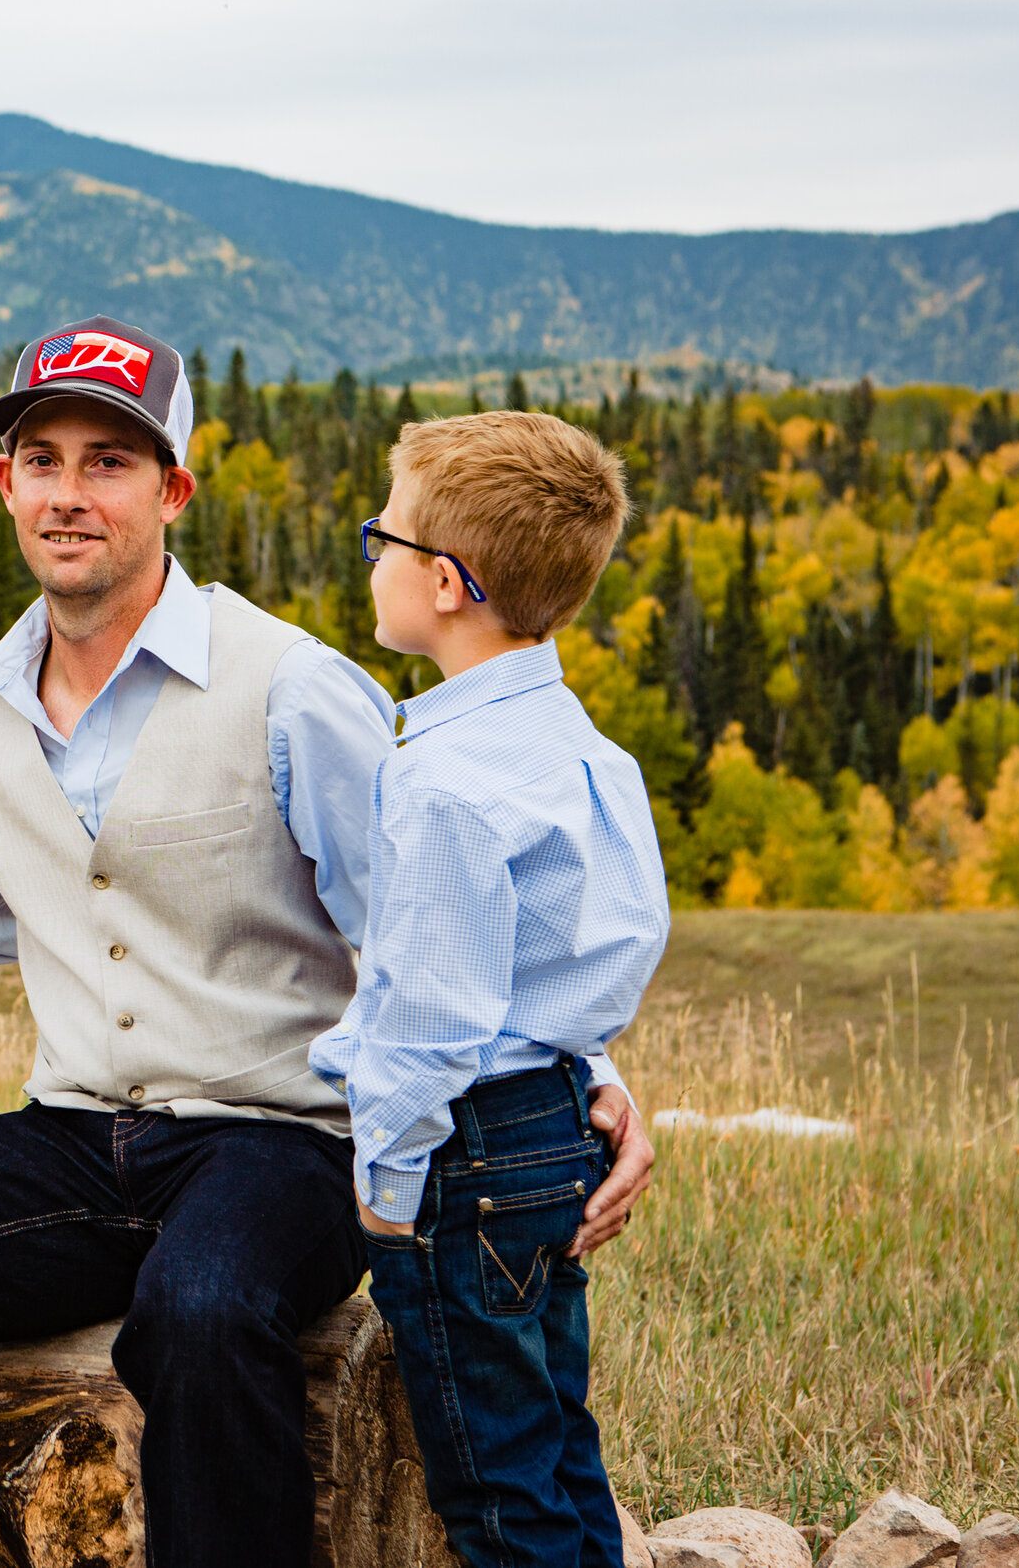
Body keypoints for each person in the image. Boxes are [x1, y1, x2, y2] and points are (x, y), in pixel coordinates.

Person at [0, 315, 650, 1568]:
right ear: (5, 481)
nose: (70, 493)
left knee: (201, 1307)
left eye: (109, 463)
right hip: (71, 1135)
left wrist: (587, 1073)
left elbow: (430, 933)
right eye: (44, 459)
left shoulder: (294, 685)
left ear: (171, 489)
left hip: (280, 1140)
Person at [309, 410, 670, 1568]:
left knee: (494, 1492)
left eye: (386, 538)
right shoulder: (581, 748)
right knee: (558, 1443)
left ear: (449, 583)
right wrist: (588, 1067)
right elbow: (615, 937)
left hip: (461, 1155)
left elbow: (431, 1015)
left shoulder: (444, 780)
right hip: (550, 1126)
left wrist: (385, 1182)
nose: (373, 558)